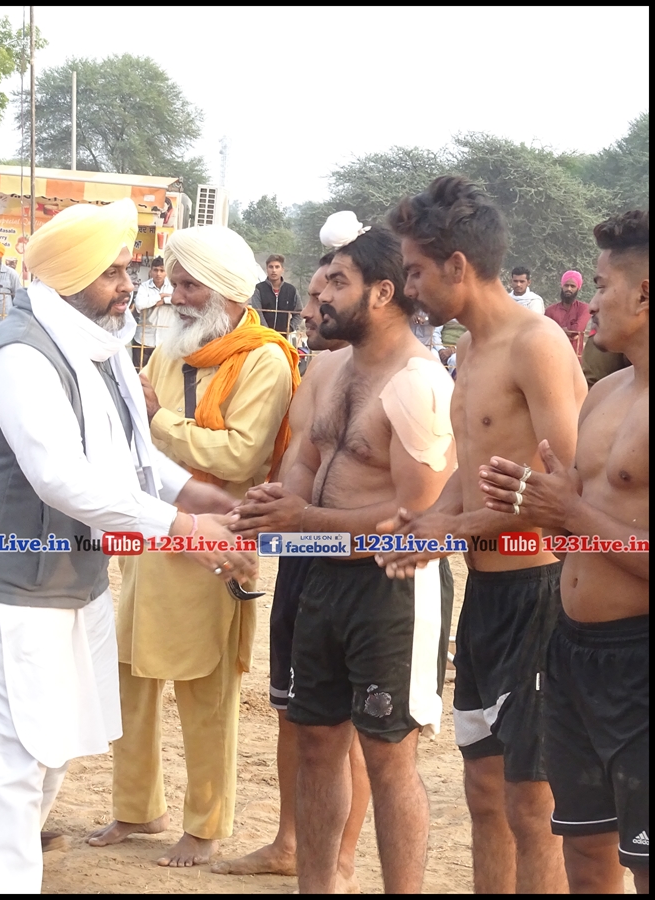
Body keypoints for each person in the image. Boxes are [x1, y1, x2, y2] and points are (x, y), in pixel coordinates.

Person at [0, 198, 257, 893]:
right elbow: (62, 477)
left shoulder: (99, 347)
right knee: (12, 763)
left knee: (48, 756)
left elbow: (129, 455)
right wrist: (182, 528)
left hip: (71, 583)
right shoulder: (21, 355)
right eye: (113, 273)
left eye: (126, 270)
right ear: (70, 277)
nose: (128, 286)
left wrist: (198, 497)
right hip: (9, 592)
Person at [232, 211, 457, 893]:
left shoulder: (419, 383)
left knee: (388, 758)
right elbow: (305, 462)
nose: (320, 296)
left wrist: (302, 517)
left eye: (336, 282)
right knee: (316, 740)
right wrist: (274, 509)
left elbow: (419, 515)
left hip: (392, 588)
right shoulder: (332, 371)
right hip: (322, 578)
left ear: (382, 293)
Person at [379, 175, 585, 893]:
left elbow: (567, 488)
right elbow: (474, 472)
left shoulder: (538, 344)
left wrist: (453, 527)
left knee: (534, 806)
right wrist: (428, 522)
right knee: (485, 793)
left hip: (542, 591)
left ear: (458, 265)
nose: (409, 288)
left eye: (415, 272)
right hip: (487, 597)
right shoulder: (467, 349)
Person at [86, 226, 296, 869]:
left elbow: (240, 455)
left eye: (188, 285)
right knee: (130, 675)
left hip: (218, 541)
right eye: (174, 284)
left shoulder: (264, 359)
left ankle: (206, 826)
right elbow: (137, 439)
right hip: (154, 530)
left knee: (206, 690)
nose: (175, 296)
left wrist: (157, 421)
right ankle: (136, 807)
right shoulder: (170, 349)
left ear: (228, 291)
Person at [478, 210, 648, 894]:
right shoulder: (604, 394)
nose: (591, 301)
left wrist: (570, 511)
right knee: (583, 851)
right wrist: (539, 507)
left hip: (641, 656)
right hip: (573, 650)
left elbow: (586, 520)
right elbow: (576, 536)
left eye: (602, 284)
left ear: (644, 293)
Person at [212, 253, 370, 888]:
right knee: (294, 710)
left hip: (361, 564)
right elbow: (295, 469)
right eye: (310, 294)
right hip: (302, 557)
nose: (307, 310)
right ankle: (290, 842)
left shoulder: (399, 376)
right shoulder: (317, 368)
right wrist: (257, 520)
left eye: (325, 293)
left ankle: (342, 859)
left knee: (352, 726)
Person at [132, 256, 175, 367]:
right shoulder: (144, 286)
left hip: (165, 341)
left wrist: (164, 300)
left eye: (162, 270)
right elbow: (140, 304)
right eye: (155, 270)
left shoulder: (172, 287)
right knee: (139, 372)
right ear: (150, 271)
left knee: (160, 374)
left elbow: (179, 301)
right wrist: (160, 296)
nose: (158, 274)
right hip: (144, 339)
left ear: (166, 272)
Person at [544, 270, 592, 357]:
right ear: (562, 286)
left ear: (578, 288)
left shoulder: (584, 308)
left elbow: (577, 329)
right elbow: (546, 333)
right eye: (566, 285)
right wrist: (566, 331)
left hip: (575, 358)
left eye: (572, 286)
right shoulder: (550, 310)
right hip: (554, 356)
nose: (569, 289)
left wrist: (557, 331)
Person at [251, 254, 300, 337]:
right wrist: (267, 332)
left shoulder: (291, 290)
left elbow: (299, 313)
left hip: (283, 338)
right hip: (263, 336)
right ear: (267, 269)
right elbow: (257, 312)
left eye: (277, 267)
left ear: (282, 269)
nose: (274, 270)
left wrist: (290, 328)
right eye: (271, 267)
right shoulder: (258, 289)